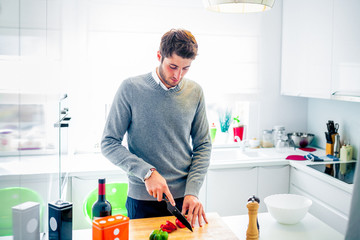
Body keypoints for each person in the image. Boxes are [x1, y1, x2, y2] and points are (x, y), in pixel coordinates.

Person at [101, 28, 212, 228]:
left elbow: (203, 145)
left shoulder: (195, 92)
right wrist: (147, 172)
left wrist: (193, 191)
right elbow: (109, 143)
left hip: (184, 200)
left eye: (185, 68)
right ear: (159, 56)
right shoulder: (130, 88)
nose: (178, 75)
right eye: (173, 66)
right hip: (142, 201)